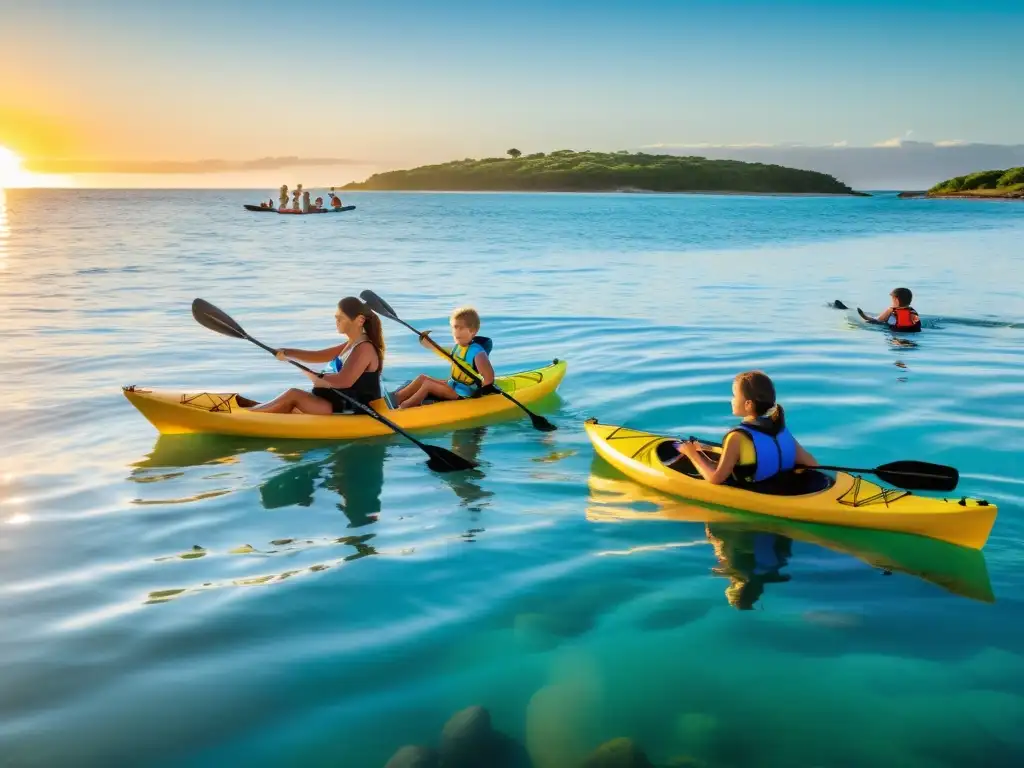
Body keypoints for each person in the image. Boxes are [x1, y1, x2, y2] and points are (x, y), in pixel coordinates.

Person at [675, 371, 817, 485]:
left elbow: (715, 479)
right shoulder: (780, 429)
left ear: (748, 404)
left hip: (759, 492)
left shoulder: (737, 437)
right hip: (785, 486)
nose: (732, 400)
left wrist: (692, 454)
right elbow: (811, 463)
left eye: (734, 396)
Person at [248, 297, 385, 415]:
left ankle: (250, 415)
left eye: (340, 319)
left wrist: (312, 374)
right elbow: (319, 356)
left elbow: (343, 381)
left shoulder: (364, 348)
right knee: (291, 400)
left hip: (353, 408)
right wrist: (288, 352)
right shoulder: (352, 344)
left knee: (294, 394)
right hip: (335, 402)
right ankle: (254, 409)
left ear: (360, 320)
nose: (336, 322)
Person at [396, 306, 494, 409]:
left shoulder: (478, 353)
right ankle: (397, 398)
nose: (456, 331)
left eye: (460, 328)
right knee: (422, 378)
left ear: (473, 331)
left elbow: (489, 377)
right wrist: (431, 345)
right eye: (454, 327)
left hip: (465, 393)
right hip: (454, 385)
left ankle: (403, 407)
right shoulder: (458, 347)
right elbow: (449, 357)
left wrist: (481, 396)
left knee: (428, 385)